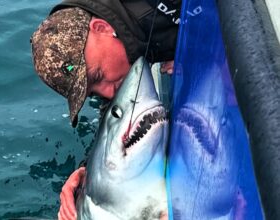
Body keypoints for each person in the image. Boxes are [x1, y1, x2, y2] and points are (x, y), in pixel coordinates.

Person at [31, 1, 181, 219]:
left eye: (98, 77)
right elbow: (113, 113)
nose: (109, 93)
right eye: (93, 92)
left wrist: (200, 43)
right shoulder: (119, 55)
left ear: (101, 28)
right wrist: (89, 173)